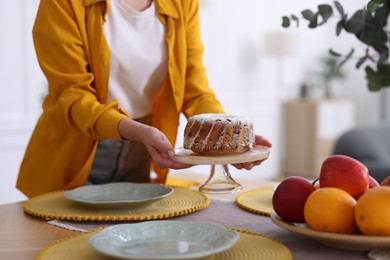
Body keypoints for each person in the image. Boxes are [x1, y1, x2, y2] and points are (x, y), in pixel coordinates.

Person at [16, 0, 272, 198]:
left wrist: (226, 137)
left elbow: (194, 88)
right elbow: (72, 94)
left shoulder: (182, 3)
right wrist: (134, 130)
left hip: (143, 150)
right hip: (74, 154)